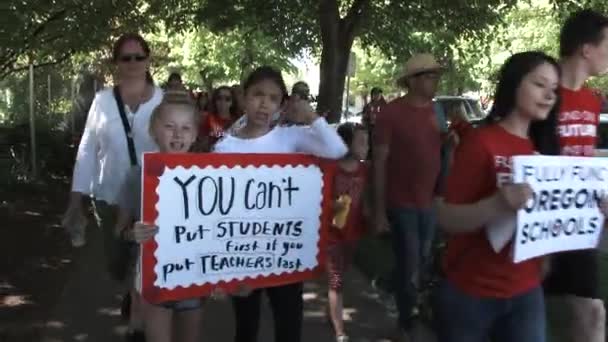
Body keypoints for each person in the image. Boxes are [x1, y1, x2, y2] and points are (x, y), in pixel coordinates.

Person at [434, 51, 562, 342]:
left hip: (527, 292)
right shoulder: (481, 142)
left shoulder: (544, 153)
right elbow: (447, 219)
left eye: (554, 89)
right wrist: (496, 204)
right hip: (471, 294)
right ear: (514, 84)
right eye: (539, 84)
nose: (548, 95)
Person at [213, 66, 347, 342]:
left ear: (282, 104)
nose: (264, 104)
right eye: (257, 95)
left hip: (283, 251)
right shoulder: (224, 147)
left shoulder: (290, 137)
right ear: (243, 96)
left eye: (274, 98)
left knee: (288, 326)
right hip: (242, 252)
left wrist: (309, 116)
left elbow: (336, 149)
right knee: (246, 327)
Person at [62, 32, 163, 340]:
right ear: (116, 62)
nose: (133, 63)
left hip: (151, 197)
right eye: (125, 57)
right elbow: (87, 149)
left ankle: (138, 311)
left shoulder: (163, 100)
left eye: (138, 57)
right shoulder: (103, 101)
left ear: (148, 60)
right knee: (118, 261)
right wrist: (75, 200)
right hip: (109, 198)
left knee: (145, 261)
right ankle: (129, 289)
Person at [116, 90, 204, 342]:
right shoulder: (136, 176)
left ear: (195, 134)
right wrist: (133, 233)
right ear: (154, 132)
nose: (178, 134)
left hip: (194, 275)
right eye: (169, 126)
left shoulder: (208, 177)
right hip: (152, 276)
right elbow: (119, 230)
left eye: (186, 128)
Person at [543, 9, 608, 342]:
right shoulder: (542, 96)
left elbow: (585, 156)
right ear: (586, 48)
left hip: (579, 221)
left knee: (592, 311)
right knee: (535, 311)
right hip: (539, 221)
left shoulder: (594, 101)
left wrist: (600, 194)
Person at [373, 53, 444, 340]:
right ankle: (406, 322)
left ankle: (389, 285)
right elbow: (378, 162)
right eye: (429, 76)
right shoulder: (391, 113)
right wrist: (378, 211)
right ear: (412, 81)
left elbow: (440, 151)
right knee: (412, 261)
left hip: (430, 202)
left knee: (423, 260)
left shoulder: (437, 111)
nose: (435, 81)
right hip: (401, 202)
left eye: (436, 76)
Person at [326, 123, 370, 342]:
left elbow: (368, 199)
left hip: (353, 234)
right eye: (361, 141)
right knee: (336, 282)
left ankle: (331, 312)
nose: (366, 146)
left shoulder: (365, 170)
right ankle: (340, 331)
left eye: (367, 141)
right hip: (331, 236)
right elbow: (320, 199)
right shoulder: (332, 169)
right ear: (346, 143)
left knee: (342, 273)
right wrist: (332, 206)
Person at [198, 86, 237, 151]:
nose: (223, 102)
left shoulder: (237, 121)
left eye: (227, 99)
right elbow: (201, 144)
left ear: (232, 102)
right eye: (219, 98)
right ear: (215, 101)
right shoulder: (208, 119)